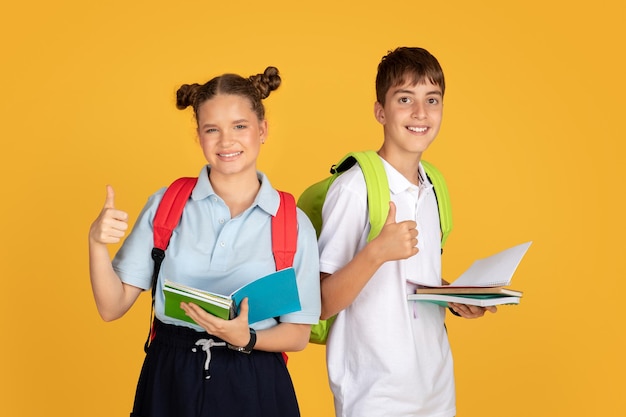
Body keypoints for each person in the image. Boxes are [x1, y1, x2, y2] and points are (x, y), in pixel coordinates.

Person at [88, 66, 321, 417]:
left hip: (254, 378)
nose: (226, 142)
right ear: (198, 135)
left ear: (263, 130)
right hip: (170, 377)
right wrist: (95, 243)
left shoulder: (291, 221)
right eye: (212, 129)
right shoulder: (167, 204)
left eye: (240, 126)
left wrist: (248, 338)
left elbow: (299, 333)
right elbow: (112, 307)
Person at [316, 47, 496, 417]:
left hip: (436, 387)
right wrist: (377, 251)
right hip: (374, 393)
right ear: (380, 111)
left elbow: (409, 282)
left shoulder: (433, 185)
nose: (420, 113)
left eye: (432, 100)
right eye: (404, 99)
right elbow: (320, 303)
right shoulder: (355, 188)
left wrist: (455, 296)